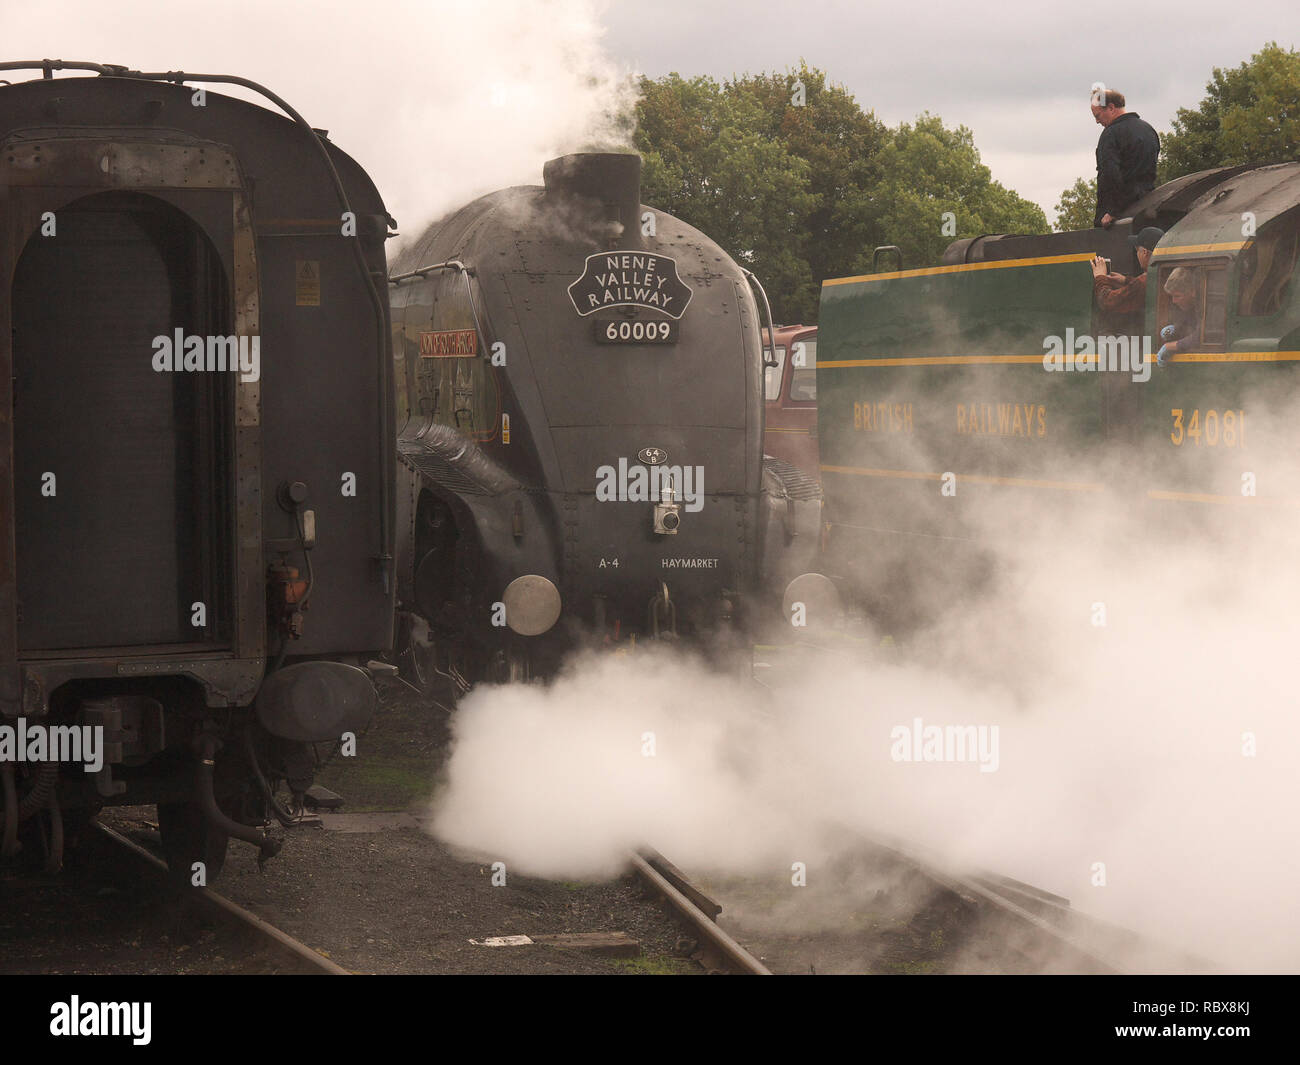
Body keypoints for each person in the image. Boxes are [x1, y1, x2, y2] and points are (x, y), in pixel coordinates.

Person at [1091, 89, 1160, 228]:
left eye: (1098, 115)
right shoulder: (1149, 130)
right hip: (1148, 204)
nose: (1097, 121)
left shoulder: (1110, 134)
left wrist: (1112, 211)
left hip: (1118, 213)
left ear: (1111, 108)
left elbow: (1111, 175)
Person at [1091, 226, 1164, 336]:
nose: (1137, 254)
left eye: (1137, 250)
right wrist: (1126, 281)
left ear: (1144, 252)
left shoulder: (1142, 283)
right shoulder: (1162, 274)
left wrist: (1100, 277)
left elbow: (1108, 301)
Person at [1156, 267, 1200, 365]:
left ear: (1192, 292)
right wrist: (1176, 329)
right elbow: (1189, 327)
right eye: (1172, 296)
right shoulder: (1187, 307)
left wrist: (1171, 346)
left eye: (1177, 296)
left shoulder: (1208, 305)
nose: (1174, 301)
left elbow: (1205, 335)